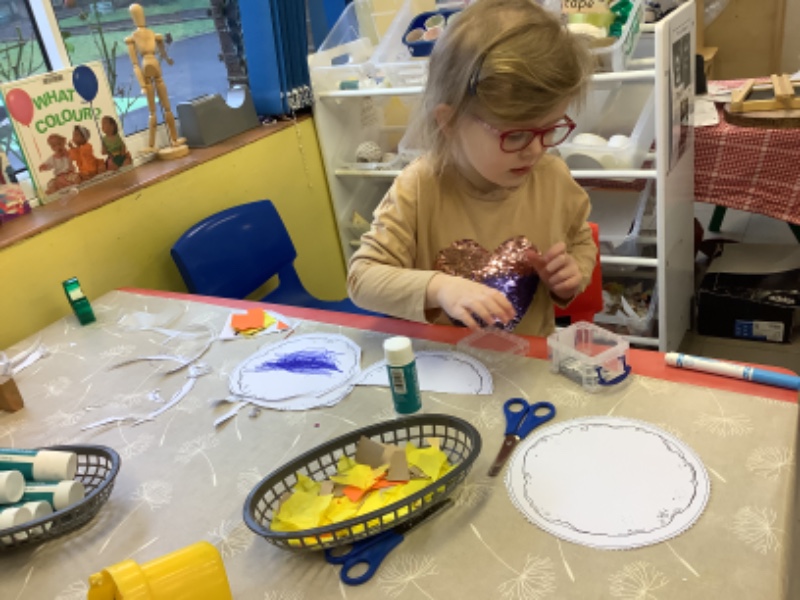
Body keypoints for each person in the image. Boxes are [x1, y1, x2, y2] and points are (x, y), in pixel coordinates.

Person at [347, 0, 598, 337]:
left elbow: (580, 240)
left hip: (529, 359)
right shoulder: (419, 187)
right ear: (449, 122)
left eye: (550, 129)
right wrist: (439, 288)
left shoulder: (553, 177)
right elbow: (362, 278)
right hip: (443, 361)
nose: (537, 149)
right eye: (516, 135)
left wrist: (571, 275)